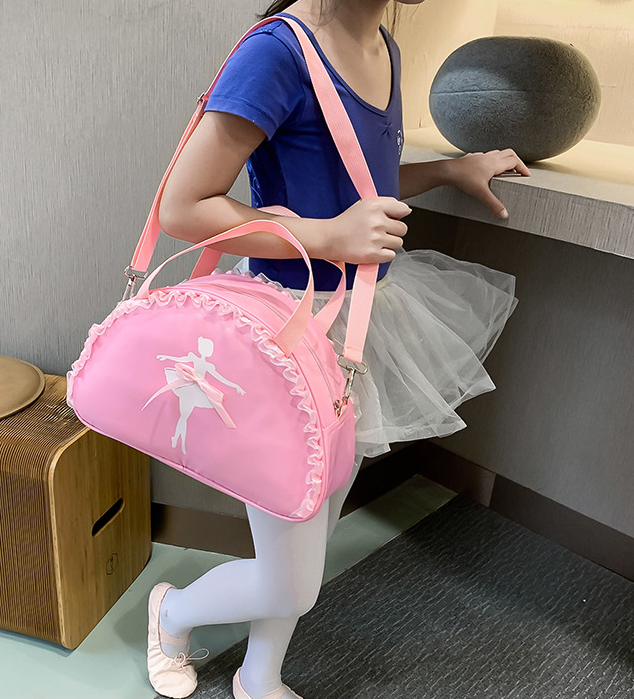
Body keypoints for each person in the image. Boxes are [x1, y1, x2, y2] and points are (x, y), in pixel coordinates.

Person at [146, 1, 529, 698]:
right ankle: (171, 612)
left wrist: (448, 170)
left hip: (360, 324)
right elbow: (182, 207)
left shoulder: (384, 44)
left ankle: (260, 675)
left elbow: (359, 180)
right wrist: (327, 237)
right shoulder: (278, 51)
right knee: (293, 577)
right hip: (290, 329)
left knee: (311, 532)